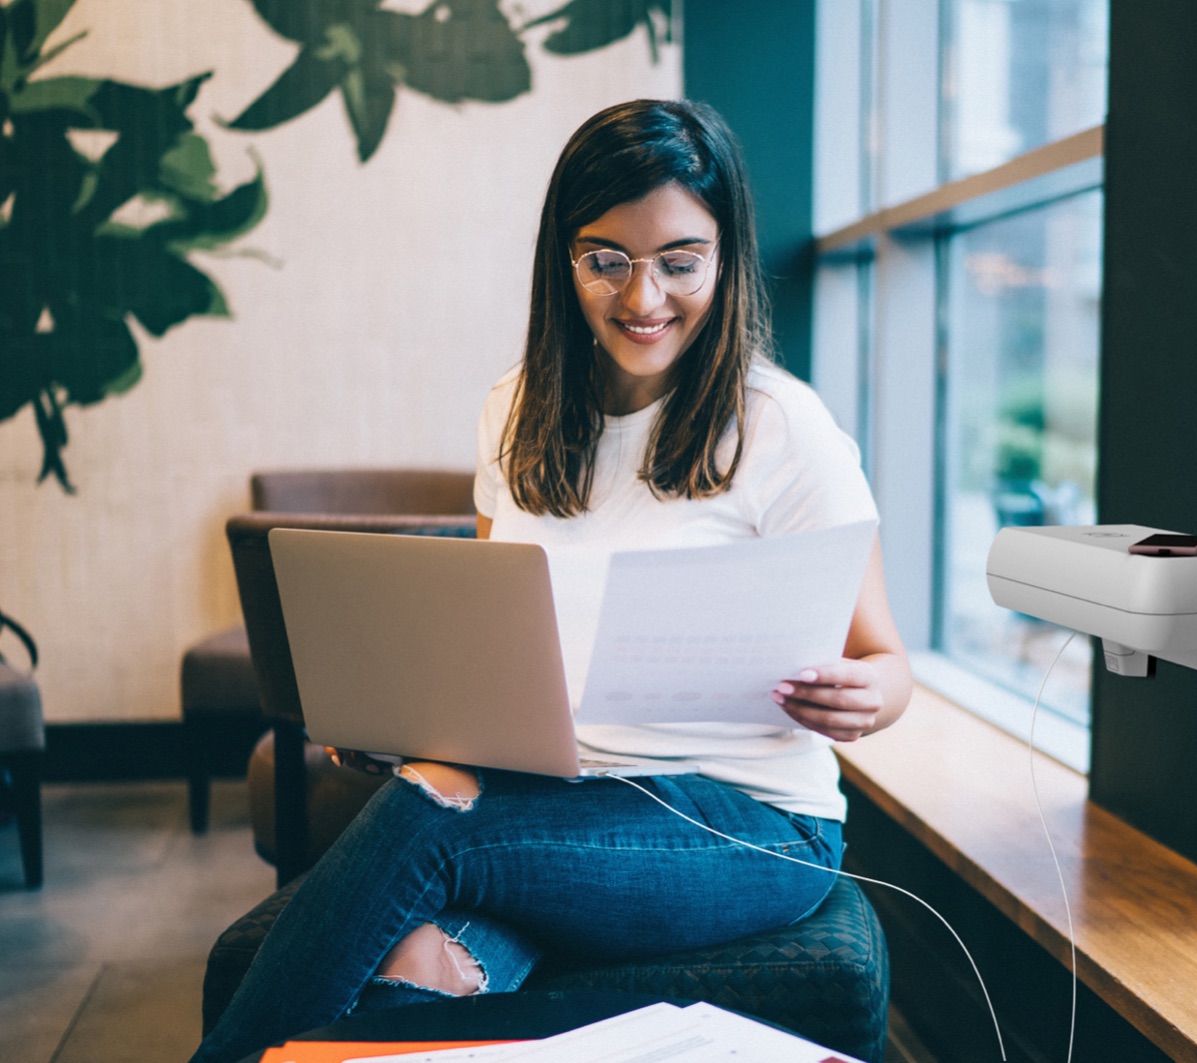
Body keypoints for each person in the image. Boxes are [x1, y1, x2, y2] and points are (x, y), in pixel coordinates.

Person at [189, 98, 910, 1063]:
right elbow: (493, 643)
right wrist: (403, 722)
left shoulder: (783, 428)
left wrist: (869, 693)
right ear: (561, 258)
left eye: (680, 262)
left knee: (431, 812)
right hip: (558, 802)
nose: (643, 297)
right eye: (605, 258)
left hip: (752, 824)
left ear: (725, 258)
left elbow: (888, 661)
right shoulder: (515, 407)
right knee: (418, 960)